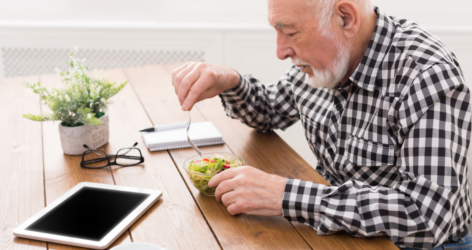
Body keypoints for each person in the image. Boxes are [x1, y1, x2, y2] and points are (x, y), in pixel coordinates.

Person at [171, 0, 472, 249]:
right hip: (341, 234)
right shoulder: (326, 62)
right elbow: (269, 110)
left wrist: (285, 195)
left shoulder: (426, 74)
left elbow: (427, 215)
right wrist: (230, 81)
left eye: (289, 32)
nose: (280, 51)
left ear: (345, 17)